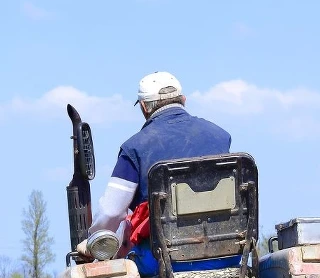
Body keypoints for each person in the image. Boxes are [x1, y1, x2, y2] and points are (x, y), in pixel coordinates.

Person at [85, 71, 231, 258]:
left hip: (163, 260)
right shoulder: (220, 136)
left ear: (144, 107)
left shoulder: (134, 148)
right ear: (183, 100)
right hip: (225, 253)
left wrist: (93, 240)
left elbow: (110, 213)